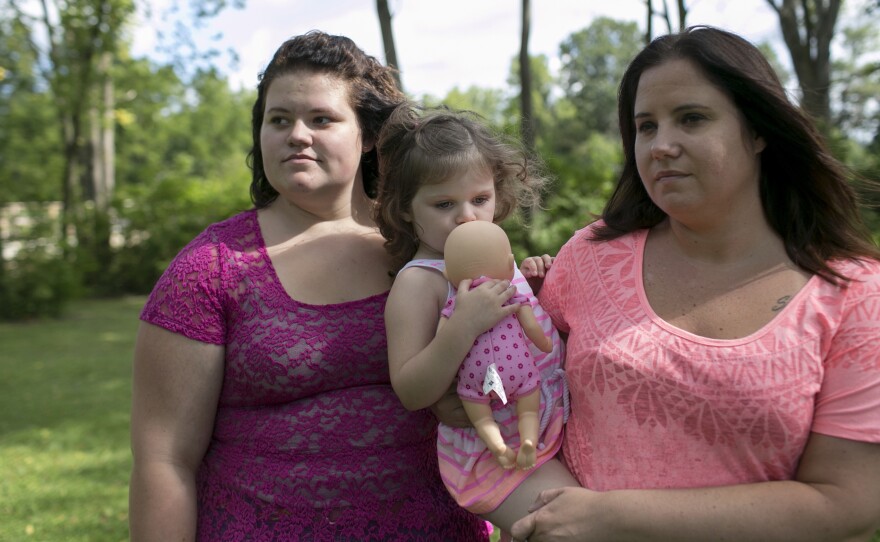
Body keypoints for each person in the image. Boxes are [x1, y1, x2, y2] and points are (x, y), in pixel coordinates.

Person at [510, 25, 880, 541]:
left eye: (692, 119)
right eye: (645, 126)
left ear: (758, 130)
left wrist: (612, 518)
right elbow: (515, 390)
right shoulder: (589, 257)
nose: (661, 146)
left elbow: (847, 503)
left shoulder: (852, 293)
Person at [128, 31, 490, 541]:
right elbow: (164, 460)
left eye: (321, 119)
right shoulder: (211, 270)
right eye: (279, 120)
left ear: (367, 134)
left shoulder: (431, 246)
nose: (297, 134)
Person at [373, 105, 579, 535]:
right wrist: (462, 325)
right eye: (444, 203)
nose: (466, 216)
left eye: (479, 199)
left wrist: (536, 291)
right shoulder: (419, 284)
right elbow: (411, 389)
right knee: (576, 524)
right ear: (407, 209)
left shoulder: (497, 260)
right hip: (493, 457)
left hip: (548, 426)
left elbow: (520, 333)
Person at [441, 220, 554, 471]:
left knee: (482, 418)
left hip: (475, 376)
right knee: (528, 411)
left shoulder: (455, 305)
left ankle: (497, 446)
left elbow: (443, 341)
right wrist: (545, 344)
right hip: (517, 369)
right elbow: (532, 327)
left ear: (447, 274)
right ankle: (528, 440)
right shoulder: (511, 293)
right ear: (509, 265)